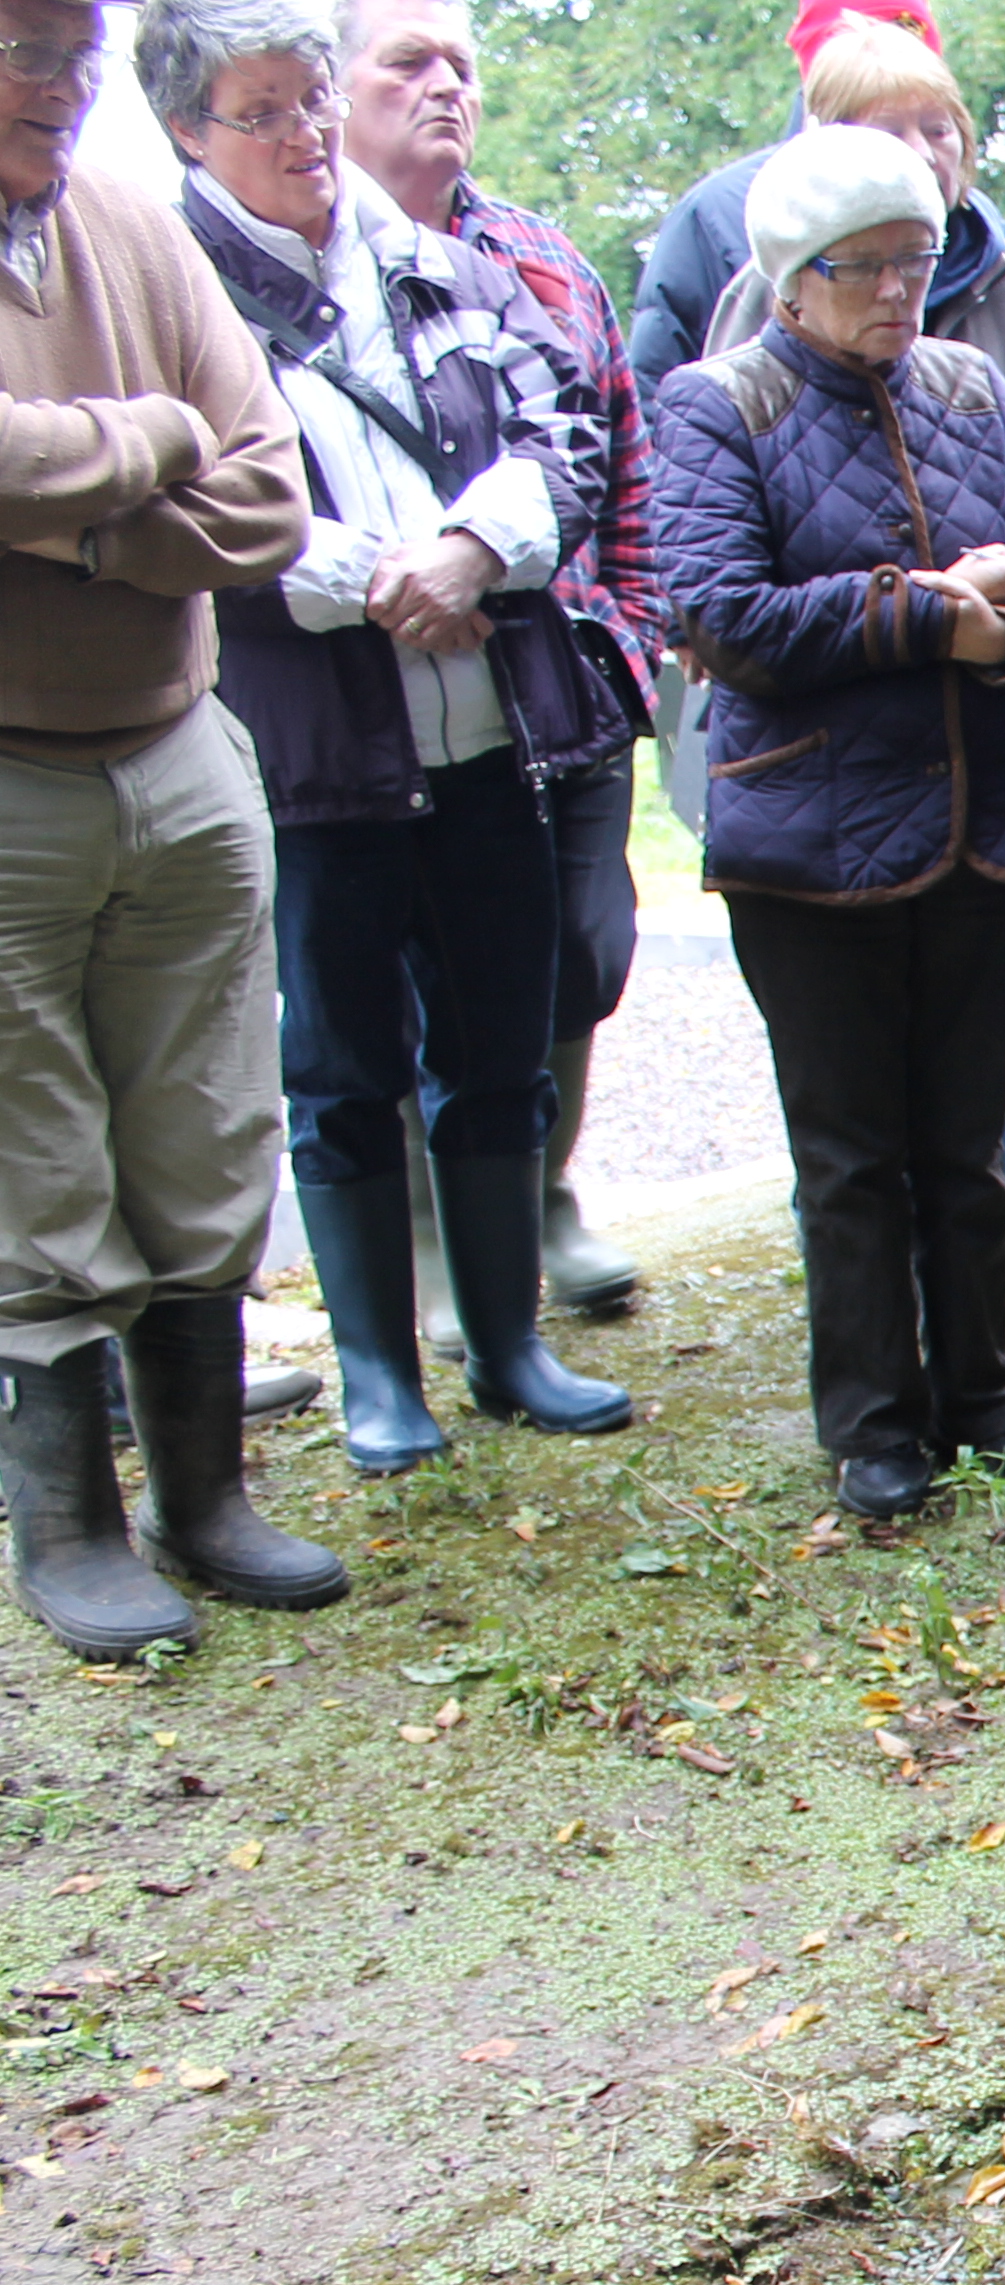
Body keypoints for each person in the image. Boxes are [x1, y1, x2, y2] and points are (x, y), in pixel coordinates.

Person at [159, 0, 635, 1478]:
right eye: (264, 110)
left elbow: (562, 428)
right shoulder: (176, 287)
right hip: (317, 753)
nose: (304, 131)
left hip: (487, 719)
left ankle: (505, 1344)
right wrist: (371, 578)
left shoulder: (437, 260)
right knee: (343, 1060)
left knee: (504, 1033)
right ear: (189, 132)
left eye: (311, 98)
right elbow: (192, 499)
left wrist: (470, 548)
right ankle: (378, 1371)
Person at [648, 125, 1005, 1517]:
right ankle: (872, 1419)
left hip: (986, 818)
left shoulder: (970, 387)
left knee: (969, 1142)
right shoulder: (720, 406)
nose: (902, 290)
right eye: (866, 268)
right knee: (851, 1157)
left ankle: (981, 1389)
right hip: (814, 849)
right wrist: (926, 610)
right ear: (792, 281)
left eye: (917, 258)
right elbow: (721, 617)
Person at [0, 0, 341, 1660]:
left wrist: (59, 527)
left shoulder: (126, 219)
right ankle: (68, 1524)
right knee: (32, 1158)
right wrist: (141, 446)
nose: (59, 86)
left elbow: (267, 489)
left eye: (75, 52)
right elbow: (179, 450)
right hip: (7, 780)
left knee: (206, 1123)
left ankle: (207, 1497)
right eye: (23, 46)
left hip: (179, 749)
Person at [336, 0, 663, 1336]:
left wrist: (633, 644)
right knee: (410, 980)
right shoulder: (304, 267)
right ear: (332, 92)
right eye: (407, 63)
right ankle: (432, 1238)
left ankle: (542, 1191)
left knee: (582, 956)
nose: (444, 89)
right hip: (372, 705)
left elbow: (619, 452)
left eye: (462, 66)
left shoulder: (538, 255)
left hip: (563, 693)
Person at [623, 0, 942, 386]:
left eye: (936, 128)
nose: (921, 153)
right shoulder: (717, 216)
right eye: (889, 128)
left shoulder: (996, 254)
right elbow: (659, 397)